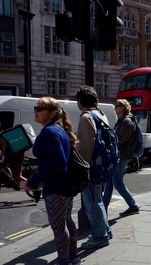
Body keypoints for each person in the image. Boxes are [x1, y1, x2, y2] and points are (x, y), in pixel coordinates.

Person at [20, 97, 81, 265]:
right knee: (67, 223)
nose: (35, 111)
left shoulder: (49, 132)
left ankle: (64, 261)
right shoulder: (58, 129)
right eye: (35, 108)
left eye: (40, 108)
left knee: (59, 229)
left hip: (56, 188)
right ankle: (73, 257)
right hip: (66, 187)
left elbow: (58, 164)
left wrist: (32, 181)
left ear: (52, 113)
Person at [76, 86, 111, 249]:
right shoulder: (101, 114)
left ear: (80, 101)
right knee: (99, 200)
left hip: (90, 167)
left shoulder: (86, 117)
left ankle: (99, 237)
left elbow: (86, 148)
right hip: (103, 165)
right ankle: (105, 230)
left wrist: (81, 169)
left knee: (92, 203)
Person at [103, 99, 140, 216]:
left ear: (124, 107)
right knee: (109, 182)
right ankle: (103, 209)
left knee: (117, 182)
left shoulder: (127, 121)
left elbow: (121, 139)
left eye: (118, 106)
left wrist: (109, 138)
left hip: (123, 156)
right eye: (115, 106)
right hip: (117, 154)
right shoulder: (121, 120)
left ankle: (133, 205)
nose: (116, 108)